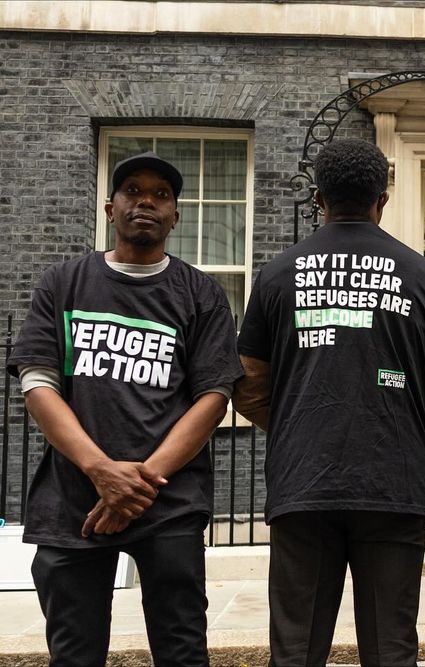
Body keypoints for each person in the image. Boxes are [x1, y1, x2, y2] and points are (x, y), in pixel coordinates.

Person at [233, 138, 425, 667]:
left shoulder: (276, 275)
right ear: (381, 199)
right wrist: (402, 428)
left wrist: (297, 423)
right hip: (394, 483)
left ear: (319, 198)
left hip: (302, 483)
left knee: (296, 647)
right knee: (390, 647)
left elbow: (247, 383)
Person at [6, 151, 244, 666]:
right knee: (74, 653)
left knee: (182, 650)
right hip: (73, 502)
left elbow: (214, 396)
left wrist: (137, 485)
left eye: (161, 195)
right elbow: (39, 384)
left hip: (169, 503)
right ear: (110, 208)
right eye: (133, 191)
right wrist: (99, 470)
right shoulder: (63, 284)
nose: (146, 202)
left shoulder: (200, 294)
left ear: (175, 216)